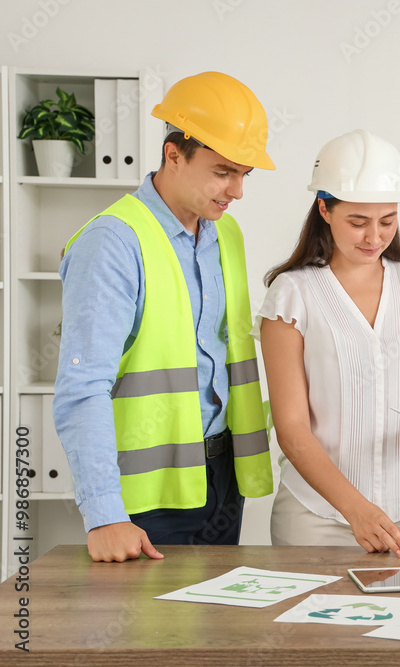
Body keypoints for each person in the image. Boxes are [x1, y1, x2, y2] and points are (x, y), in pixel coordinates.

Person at [54, 72, 275, 562]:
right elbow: (81, 386)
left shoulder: (225, 233)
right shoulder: (112, 242)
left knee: (215, 634)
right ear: (174, 154)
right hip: (144, 500)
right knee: (150, 637)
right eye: (223, 171)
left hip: (221, 478)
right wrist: (106, 515)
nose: (237, 190)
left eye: (245, 174)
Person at [255, 130, 400, 557]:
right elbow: (292, 428)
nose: (374, 237)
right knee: (318, 623)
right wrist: (357, 510)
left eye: (387, 221)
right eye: (358, 222)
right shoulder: (291, 295)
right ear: (324, 210)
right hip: (318, 518)